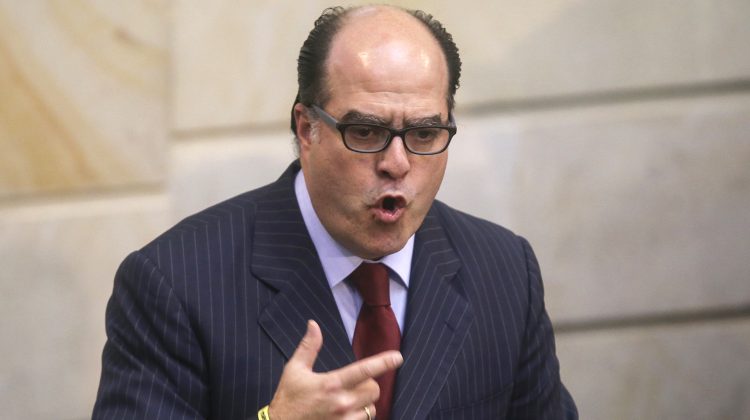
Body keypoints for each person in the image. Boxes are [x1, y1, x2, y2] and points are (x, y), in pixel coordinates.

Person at [93, 5, 577, 420]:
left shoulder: (505, 270)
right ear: (306, 129)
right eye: (365, 132)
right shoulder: (175, 283)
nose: (398, 163)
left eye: (425, 134)